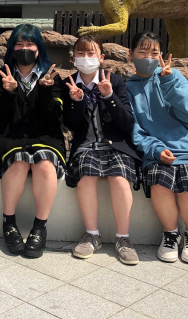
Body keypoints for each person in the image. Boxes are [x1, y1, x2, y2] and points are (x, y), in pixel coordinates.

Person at [126, 31, 188, 265]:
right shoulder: (128, 88)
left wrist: (170, 83)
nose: (148, 58)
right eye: (142, 52)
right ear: (130, 55)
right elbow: (135, 129)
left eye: (154, 53)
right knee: (160, 183)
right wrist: (155, 149)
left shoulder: (173, 77)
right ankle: (170, 234)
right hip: (157, 150)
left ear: (161, 55)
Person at [0, 24, 66, 258]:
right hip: (12, 136)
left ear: (38, 48)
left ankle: (39, 227)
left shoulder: (51, 76)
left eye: (30, 44)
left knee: (45, 163)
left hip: (45, 137)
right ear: (12, 48)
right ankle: (8, 221)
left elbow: (54, 116)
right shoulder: (1, 75)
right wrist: (10, 92)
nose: (24, 48)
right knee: (19, 161)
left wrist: (45, 91)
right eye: (19, 44)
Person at [61, 35, 140, 265]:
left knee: (120, 179)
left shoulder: (115, 81)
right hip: (86, 146)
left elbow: (126, 123)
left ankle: (123, 238)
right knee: (86, 178)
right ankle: (92, 235)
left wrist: (109, 96)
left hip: (116, 146)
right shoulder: (68, 83)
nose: (86, 58)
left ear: (101, 57)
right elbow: (71, 125)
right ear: (73, 58)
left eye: (91, 53)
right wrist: (76, 102)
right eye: (81, 53)